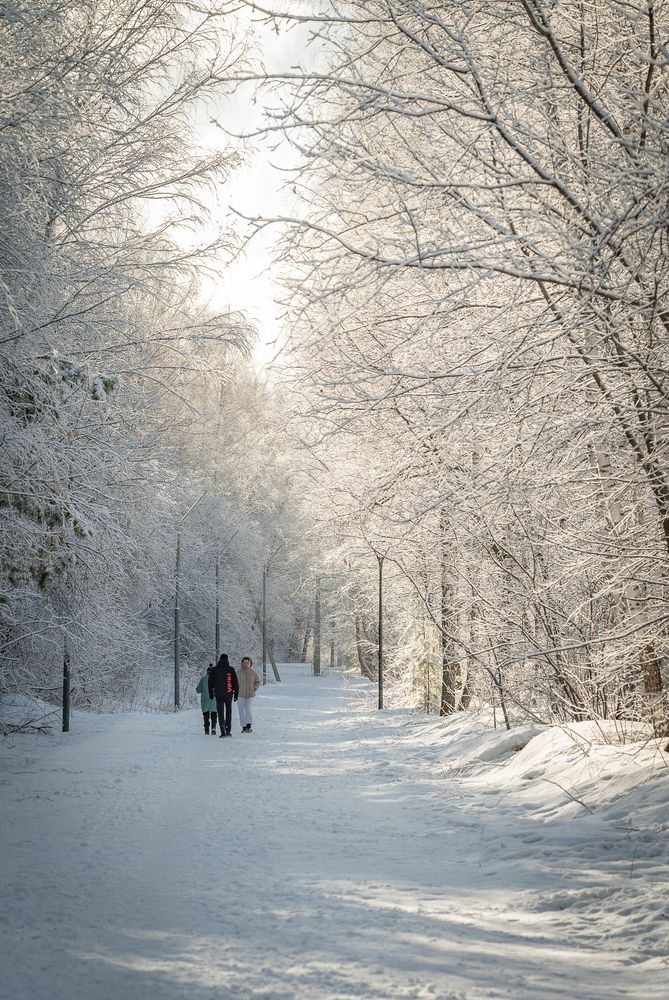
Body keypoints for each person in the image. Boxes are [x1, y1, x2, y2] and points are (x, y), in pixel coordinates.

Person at [208, 653, 238, 738]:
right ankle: (228, 731)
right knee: (228, 711)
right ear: (227, 660)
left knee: (220, 712)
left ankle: (223, 731)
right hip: (229, 693)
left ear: (220, 659)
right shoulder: (231, 670)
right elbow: (235, 682)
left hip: (218, 694)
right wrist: (236, 694)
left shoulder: (214, 670)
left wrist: (210, 693)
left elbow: (210, 683)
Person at [237, 656, 261, 733]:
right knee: (241, 711)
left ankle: (249, 725)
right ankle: (243, 727)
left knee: (249, 710)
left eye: (247, 662)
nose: (246, 664)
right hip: (240, 694)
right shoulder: (238, 673)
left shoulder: (253, 673)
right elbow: (233, 682)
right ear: (242, 663)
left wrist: (254, 688)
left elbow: (258, 681)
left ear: (250, 664)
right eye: (244, 662)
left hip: (250, 694)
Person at [195, 663, 218, 736]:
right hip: (214, 699)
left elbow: (198, 690)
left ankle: (207, 730)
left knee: (206, 715)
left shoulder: (203, 679)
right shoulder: (216, 679)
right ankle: (213, 728)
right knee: (214, 714)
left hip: (205, 700)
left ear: (207, 672)